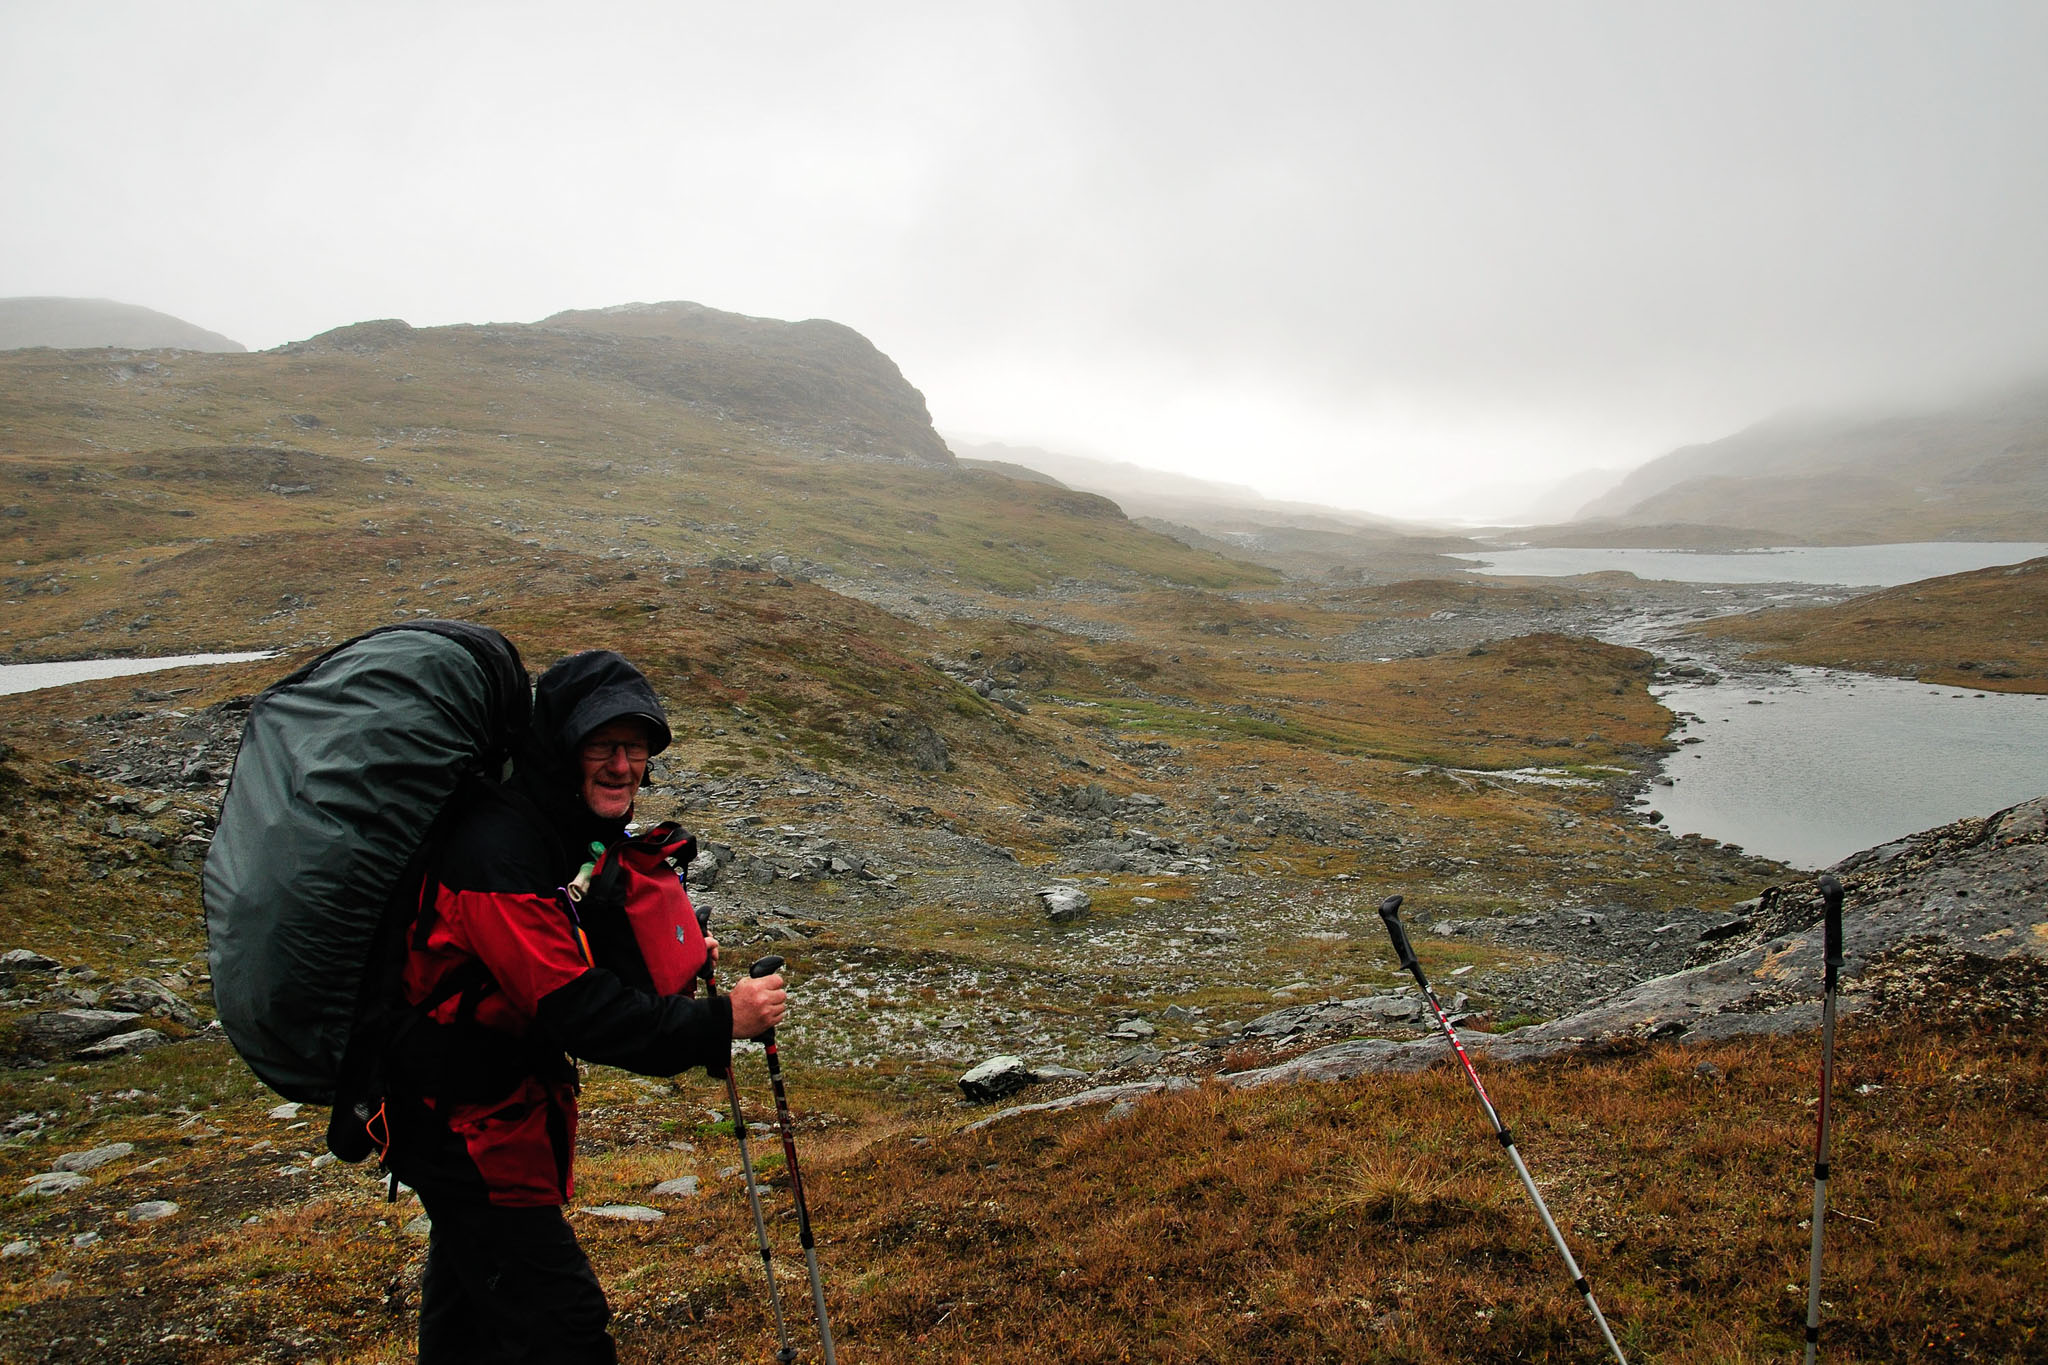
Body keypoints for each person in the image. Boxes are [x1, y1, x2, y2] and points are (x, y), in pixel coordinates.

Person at [383, 649, 786, 1363]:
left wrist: (676, 957)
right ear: (562, 747)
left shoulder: (556, 828)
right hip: (465, 1129)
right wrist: (724, 1020)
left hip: (479, 1117)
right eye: (603, 744)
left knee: (470, 1326)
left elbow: (573, 949)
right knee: (566, 1327)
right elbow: (576, 1006)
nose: (622, 764)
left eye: (636, 747)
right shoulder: (496, 852)